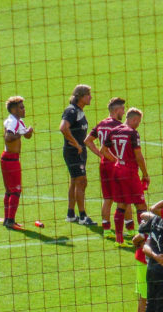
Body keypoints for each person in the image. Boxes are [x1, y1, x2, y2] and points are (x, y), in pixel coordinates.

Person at [101, 108, 150, 244]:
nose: (138, 124)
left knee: (121, 205)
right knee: (141, 205)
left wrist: (117, 160)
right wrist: (145, 174)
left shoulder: (113, 131)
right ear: (133, 120)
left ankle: (119, 239)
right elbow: (138, 156)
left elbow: (103, 150)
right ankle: (144, 237)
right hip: (130, 173)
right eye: (138, 122)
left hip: (117, 171)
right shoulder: (133, 133)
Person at [84, 97, 134, 233]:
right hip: (116, 165)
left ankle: (106, 229)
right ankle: (130, 228)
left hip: (104, 165)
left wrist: (101, 155)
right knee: (124, 197)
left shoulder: (101, 124)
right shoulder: (118, 126)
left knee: (108, 198)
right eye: (122, 109)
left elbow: (88, 141)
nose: (123, 112)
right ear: (116, 110)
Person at [60, 84, 95, 225]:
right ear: (80, 97)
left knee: (75, 181)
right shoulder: (71, 111)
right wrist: (76, 144)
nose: (90, 97)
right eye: (88, 94)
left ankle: (70, 214)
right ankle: (82, 216)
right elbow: (63, 128)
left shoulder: (79, 110)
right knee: (81, 181)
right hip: (73, 152)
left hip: (78, 152)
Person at [1, 96, 33, 230]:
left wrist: (27, 132)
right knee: (15, 191)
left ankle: (7, 219)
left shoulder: (17, 121)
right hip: (11, 160)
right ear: (14, 109)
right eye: (21, 107)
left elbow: (26, 136)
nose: (24, 109)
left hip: (9, 159)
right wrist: (21, 134)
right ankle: (10, 221)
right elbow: (8, 138)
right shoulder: (13, 122)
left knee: (9, 191)